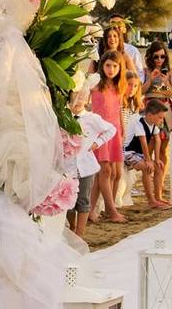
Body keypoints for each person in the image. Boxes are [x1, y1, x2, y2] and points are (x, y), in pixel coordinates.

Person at [64, 73, 116, 237]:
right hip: (68, 166)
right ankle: (72, 228)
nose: (78, 102)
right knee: (69, 200)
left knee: (83, 200)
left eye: (82, 98)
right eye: (75, 98)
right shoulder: (64, 118)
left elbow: (111, 129)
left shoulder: (92, 118)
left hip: (86, 167)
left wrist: (97, 143)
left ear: (87, 100)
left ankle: (80, 232)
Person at [90, 50, 128, 223]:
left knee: (105, 173)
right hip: (100, 133)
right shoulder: (96, 85)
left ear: (120, 68)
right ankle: (111, 211)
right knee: (105, 170)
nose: (111, 69)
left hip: (115, 132)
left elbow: (118, 109)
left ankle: (90, 210)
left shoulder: (119, 87)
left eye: (115, 66)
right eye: (107, 65)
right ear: (101, 66)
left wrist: (122, 128)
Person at [141, 41, 172, 197]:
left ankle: (159, 186)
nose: (159, 59)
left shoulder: (170, 72)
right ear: (150, 56)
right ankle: (149, 187)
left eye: (162, 56)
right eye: (156, 56)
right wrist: (150, 78)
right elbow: (140, 92)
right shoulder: (144, 71)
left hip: (166, 109)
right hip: (149, 107)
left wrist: (165, 82)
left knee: (163, 150)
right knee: (148, 151)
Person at [123, 99, 172, 210]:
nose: (162, 120)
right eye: (160, 117)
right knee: (147, 168)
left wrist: (158, 159)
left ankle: (158, 197)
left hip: (139, 154)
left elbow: (158, 140)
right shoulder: (139, 123)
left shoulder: (154, 125)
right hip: (127, 153)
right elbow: (143, 142)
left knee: (159, 167)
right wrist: (148, 160)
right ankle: (151, 201)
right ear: (149, 115)